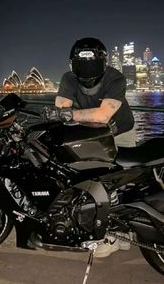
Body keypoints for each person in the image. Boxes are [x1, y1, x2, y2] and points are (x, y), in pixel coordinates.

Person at [51, 37, 136, 257]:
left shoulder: (115, 78)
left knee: (124, 181)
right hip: (92, 133)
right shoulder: (68, 79)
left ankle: (125, 231)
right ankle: (110, 232)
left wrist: (70, 115)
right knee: (97, 180)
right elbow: (62, 109)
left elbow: (102, 115)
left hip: (121, 132)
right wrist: (68, 114)